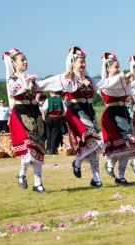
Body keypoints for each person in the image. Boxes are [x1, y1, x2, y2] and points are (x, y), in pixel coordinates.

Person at [41, 46, 105, 187]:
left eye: (84, 62)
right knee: (94, 142)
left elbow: (103, 84)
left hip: (89, 111)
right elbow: (54, 82)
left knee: (93, 147)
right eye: (80, 62)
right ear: (72, 62)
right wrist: (37, 85)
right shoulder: (69, 77)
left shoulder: (88, 78)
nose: (83, 64)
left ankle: (96, 178)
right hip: (76, 111)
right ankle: (78, 162)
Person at [97, 52, 135, 184]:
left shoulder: (122, 81)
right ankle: (110, 165)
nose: (118, 69)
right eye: (115, 67)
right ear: (108, 68)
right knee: (119, 146)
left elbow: (130, 91)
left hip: (123, 112)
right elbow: (114, 86)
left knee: (127, 147)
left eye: (119, 67)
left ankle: (120, 176)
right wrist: (125, 78)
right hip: (111, 114)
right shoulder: (105, 83)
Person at [2, 48, 46, 192]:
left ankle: (38, 183)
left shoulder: (32, 77)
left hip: (35, 113)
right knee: (27, 153)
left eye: (26, 59)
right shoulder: (12, 79)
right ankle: (21, 174)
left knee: (38, 149)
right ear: (14, 64)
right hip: (20, 114)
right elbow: (13, 91)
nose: (25, 62)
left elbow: (42, 89)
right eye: (22, 60)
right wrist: (24, 80)